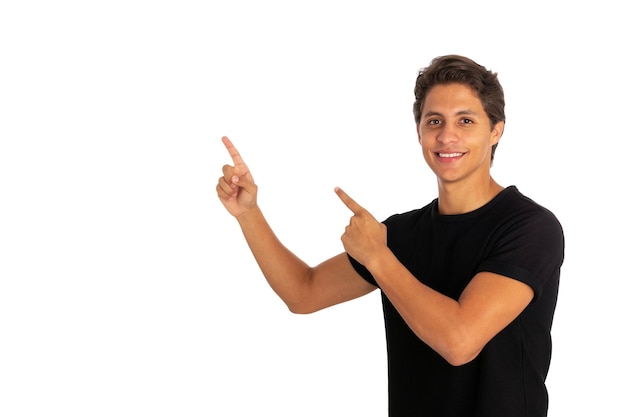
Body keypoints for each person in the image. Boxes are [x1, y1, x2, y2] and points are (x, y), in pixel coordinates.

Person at [216, 54, 564, 417]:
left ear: (495, 130)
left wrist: (378, 258)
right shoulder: (401, 235)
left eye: (465, 120)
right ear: (419, 133)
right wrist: (248, 213)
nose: (447, 136)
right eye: (434, 121)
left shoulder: (530, 228)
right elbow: (303, 292)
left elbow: (460, 341)